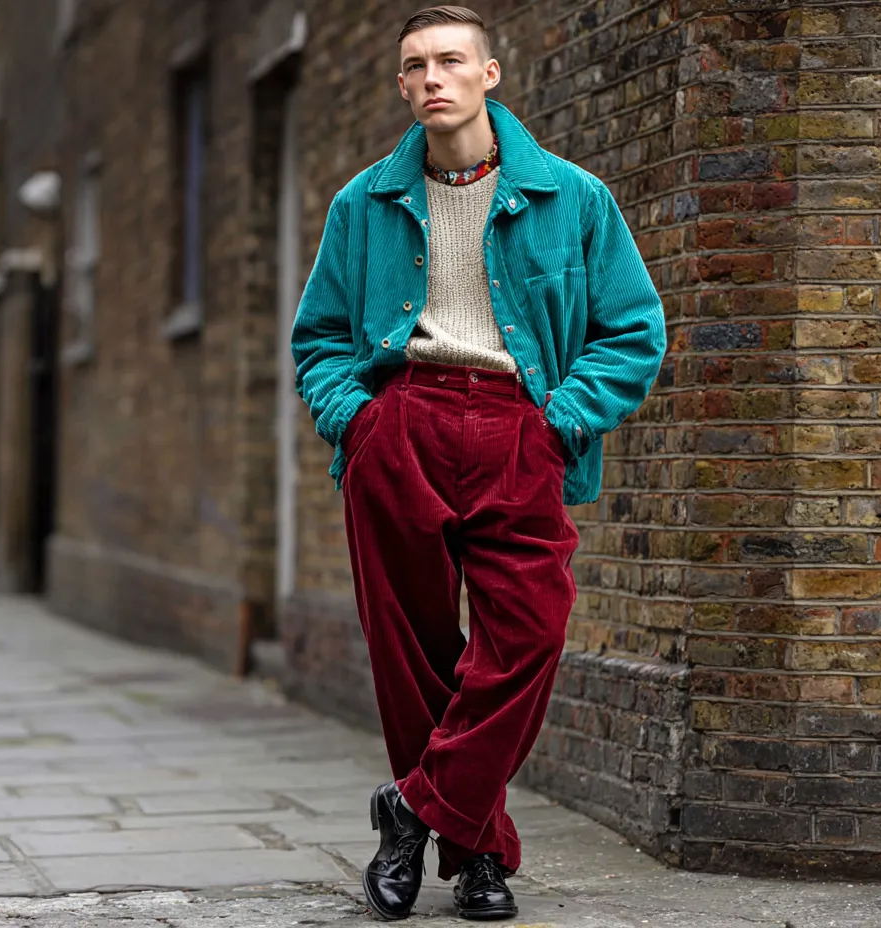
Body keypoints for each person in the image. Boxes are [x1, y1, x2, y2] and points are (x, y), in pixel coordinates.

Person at [291, 5, 665, 921]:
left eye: (451, 60)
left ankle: (413, 807)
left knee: (529, 633)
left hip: (520, 429)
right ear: (402, 85)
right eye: (415, 65)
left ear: (490, 74)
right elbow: (320, 341)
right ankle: (481, 855)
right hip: (402, 425)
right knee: (414, 650)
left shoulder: (573, 197)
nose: (432, 78)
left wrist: (557, 424)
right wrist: (358, 422)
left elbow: (633, 330)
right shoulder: (362, 204)